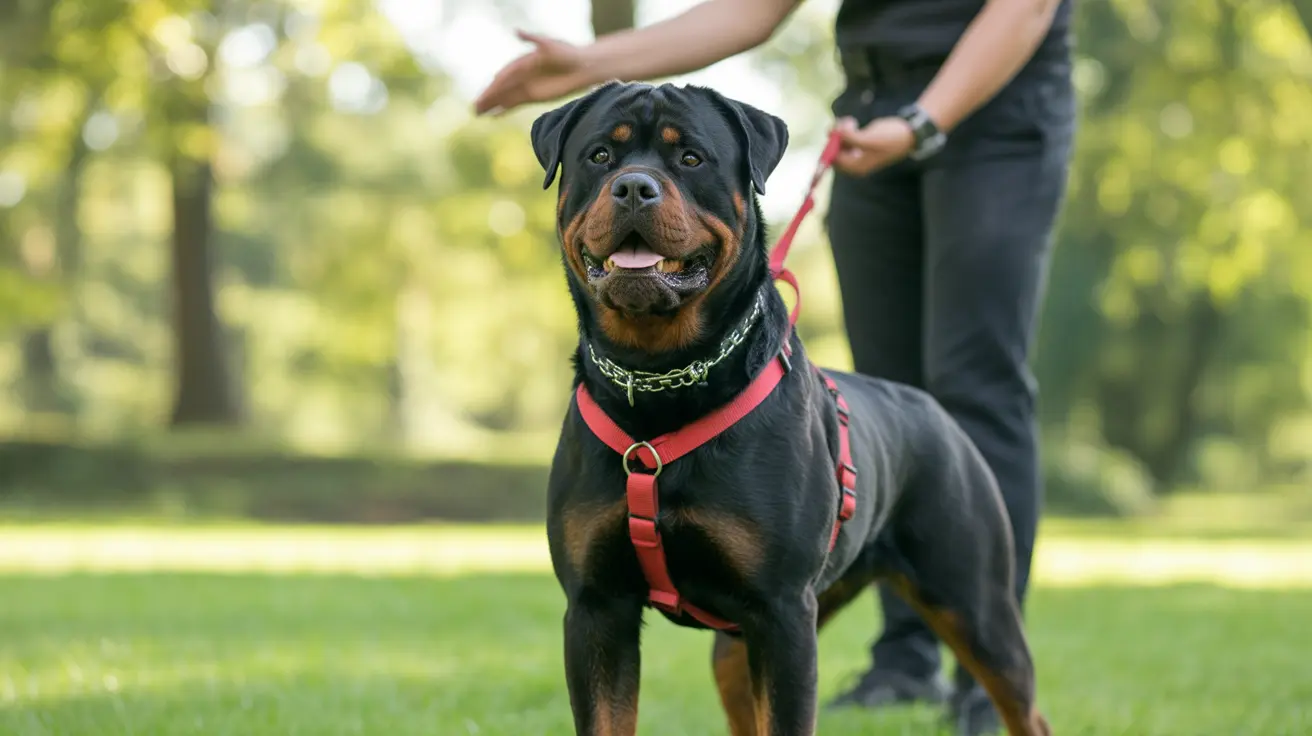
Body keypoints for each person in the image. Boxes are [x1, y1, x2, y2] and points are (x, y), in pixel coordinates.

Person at [474, 0, 1075, 731]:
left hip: (1003, 115)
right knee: (697, 640)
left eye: (688, 160)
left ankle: (991, 710)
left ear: (749, 187)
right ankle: (900, 664)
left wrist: (920, 123)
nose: (636, 184)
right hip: (871, 99)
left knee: (973, 387)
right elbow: (750, 8)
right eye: (603, 159)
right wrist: (593, 62)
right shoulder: (590, 424)